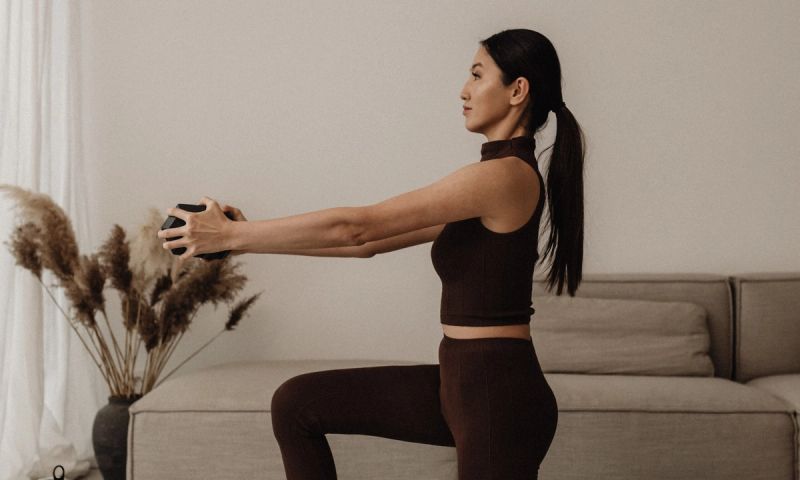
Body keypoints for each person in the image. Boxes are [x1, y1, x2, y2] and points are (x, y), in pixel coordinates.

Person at [157, 28, 585, 480]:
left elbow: (358, 227)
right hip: (458, 382)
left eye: (478, 76)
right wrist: (240, 235)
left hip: (499, 395)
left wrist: (229, 237)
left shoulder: (504, 177)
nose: (464, 90)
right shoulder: (488, 183)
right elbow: (366, 246)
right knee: (297, 404)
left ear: (518, 90)